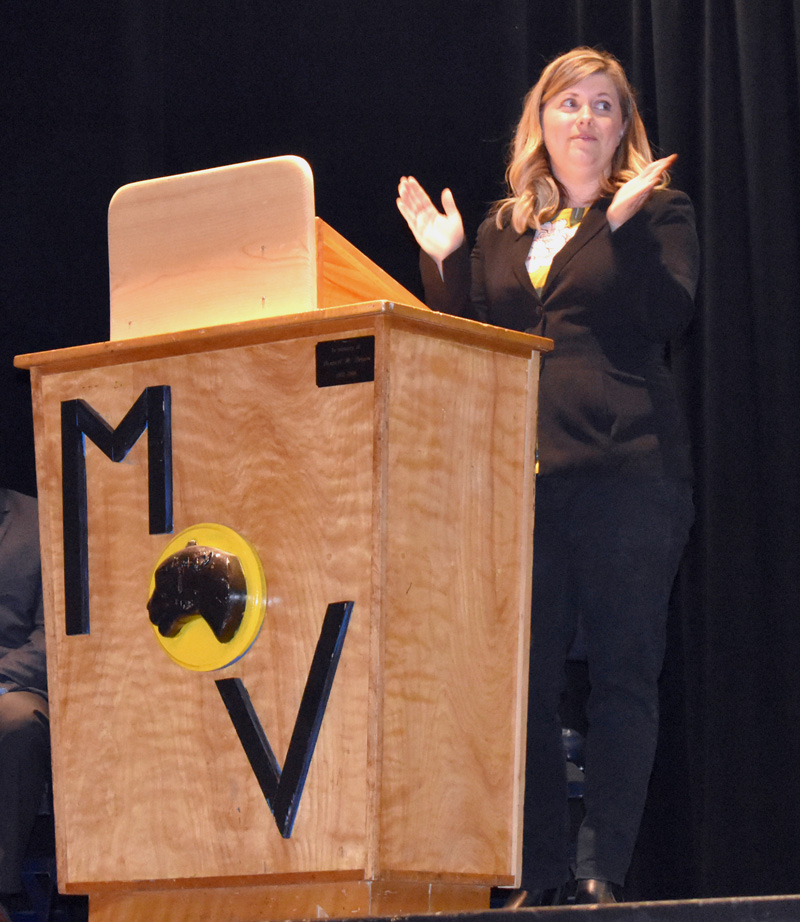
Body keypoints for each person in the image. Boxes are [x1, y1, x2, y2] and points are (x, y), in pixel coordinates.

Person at [396, 47, 699, 905]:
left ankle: (601, 868)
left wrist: (627, 227)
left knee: (621, 676)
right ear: (542, 121)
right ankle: (536, 872)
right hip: (521, 482)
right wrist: (446, 262)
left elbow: (669, 314)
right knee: (520, 688)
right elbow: (478, 347)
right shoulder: (504, 229)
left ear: (623, 129)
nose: (587, 120)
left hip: (630, 474)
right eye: (570, 104)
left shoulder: (660, 210)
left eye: (605, 106)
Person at [0, 488, 48, 922]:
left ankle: (1, 889)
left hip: (13, 684)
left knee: (16, 721)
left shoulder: (40, 519)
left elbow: (53, 634)